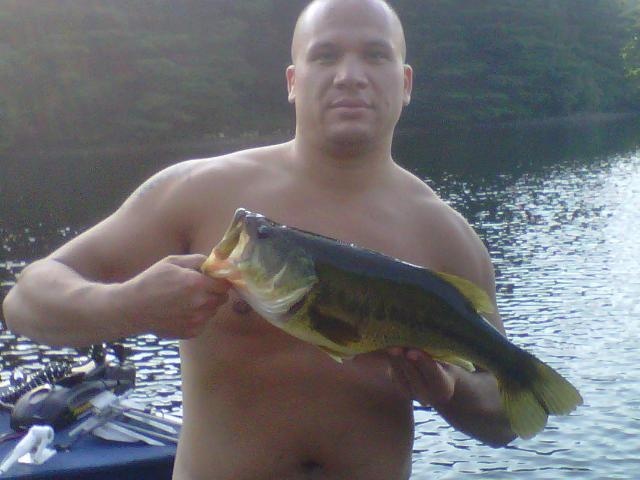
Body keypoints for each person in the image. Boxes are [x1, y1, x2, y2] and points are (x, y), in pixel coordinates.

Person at [2, 0, 516, 478]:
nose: (350, 75)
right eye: (326, 55)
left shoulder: (449, 237)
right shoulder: (200, 192)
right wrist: (127, 305)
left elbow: (504, 417)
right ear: (293, 80)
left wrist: (449, 392)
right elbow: (26, 300)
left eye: (376, 55)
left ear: (404, 83)